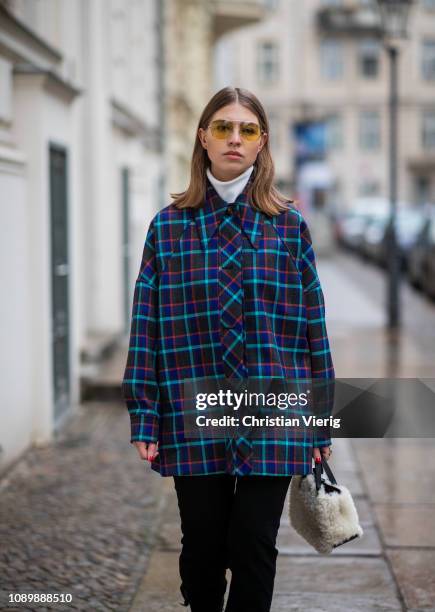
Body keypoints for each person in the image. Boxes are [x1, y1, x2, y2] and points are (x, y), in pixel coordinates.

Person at [121, 86, 334, 612]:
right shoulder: (168, 229)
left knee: (255, 545)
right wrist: (145, 415)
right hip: (194, 406)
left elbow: (314, 329)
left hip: (275, 411)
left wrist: (321, 421)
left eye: (247, 129)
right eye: (223, 127)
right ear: (203, 138)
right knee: (202, 548)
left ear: (262, 143)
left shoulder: (289, 228)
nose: (234, 138)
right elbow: (145, 326)